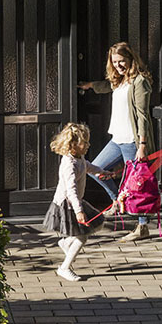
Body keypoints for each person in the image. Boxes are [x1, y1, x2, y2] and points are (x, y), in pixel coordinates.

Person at [79, 41, 156, 244]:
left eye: (122, 61)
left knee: (137, 185)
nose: (119, 65)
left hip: (132, 140)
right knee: (96, 169)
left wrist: (142, 145)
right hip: (117, 138)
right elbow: (106, 86)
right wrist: (89, 86)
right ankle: (116, 200)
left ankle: (142, 226)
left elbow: (143, 116)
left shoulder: (139, 82)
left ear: (130, 59)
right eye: (115, 62)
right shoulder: (119, 81)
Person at [42, 121, 100, 282]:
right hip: (67, 204)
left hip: (74, 203)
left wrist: (102, 172)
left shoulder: (79, 157)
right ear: (73, 144)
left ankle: (66, 243)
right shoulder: (68, 164)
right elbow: (71, 190)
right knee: (82, 236)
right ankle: (64, 268)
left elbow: (86, 166)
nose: (88, 145)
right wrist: (79, 211)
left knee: (91, 228)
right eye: (85, 142)